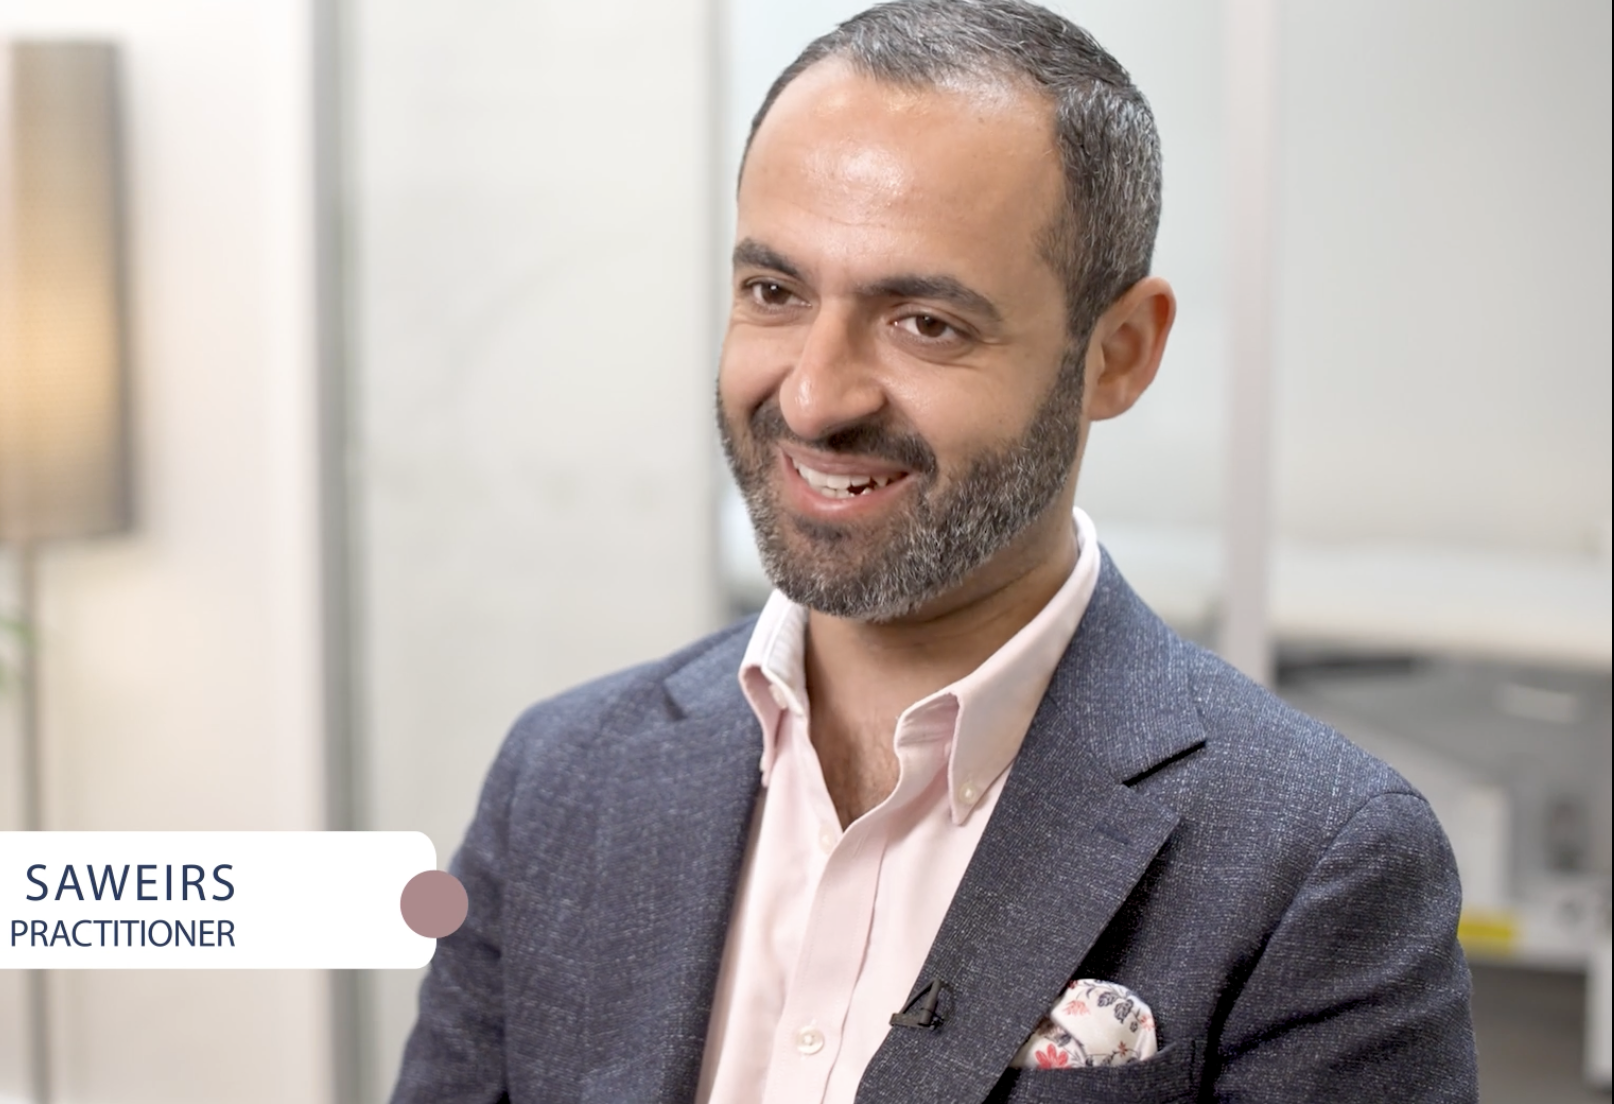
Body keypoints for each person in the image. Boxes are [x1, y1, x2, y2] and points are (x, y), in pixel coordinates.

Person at [391, 1, 1478, 1101]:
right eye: (773, 293)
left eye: (925, 322)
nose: (813, 398)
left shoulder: (1316, 861)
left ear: (1117, 353)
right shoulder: (563, 777)